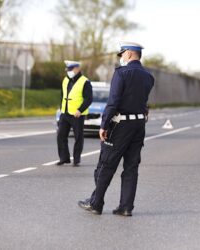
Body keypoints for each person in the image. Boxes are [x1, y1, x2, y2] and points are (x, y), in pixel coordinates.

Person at [78, 42, 154, 216]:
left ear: (128, 54)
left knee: (106, 164)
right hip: (139, 125)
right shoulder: (148, 77)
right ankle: (126, 207)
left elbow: (113, 102)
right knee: (131, 167)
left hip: (120, 125)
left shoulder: (122, 74)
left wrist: (104, 125)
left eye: (122, 55)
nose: (121, 58)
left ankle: (96, 203)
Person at [57, 60, 93, 167]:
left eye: (70, 69)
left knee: (78, 137)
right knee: (61, 136)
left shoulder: (85, 82)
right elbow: (62, 95)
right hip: (65, 113)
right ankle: (64, 158)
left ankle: (76, 160)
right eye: (67, 69)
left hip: (77, 115)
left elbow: (89, 99)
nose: (68, 71)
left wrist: (80, 110)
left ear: (77, 69)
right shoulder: (65, 80)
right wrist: (61, 108)